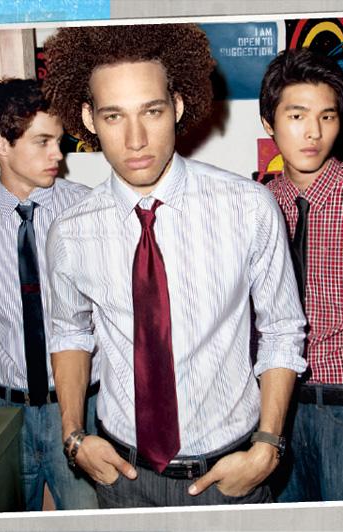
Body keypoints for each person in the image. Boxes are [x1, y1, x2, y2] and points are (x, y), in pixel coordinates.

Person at [43, 23, 307, 509]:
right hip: (120, 477)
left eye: (152, 111)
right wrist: (73, 434)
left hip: (232, 475)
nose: (136, 139)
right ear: (88, 118)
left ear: (178, 106)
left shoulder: (248, 207)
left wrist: (267, 448)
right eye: (114, 116)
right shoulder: (70, 231)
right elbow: (69, 333)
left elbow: (282, 329)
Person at [0, 78, 100, 511]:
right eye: (42, 142)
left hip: (83, 408)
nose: (59, 154)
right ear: (1, 145)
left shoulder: (89, 209)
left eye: (58, 140)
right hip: (3, 411)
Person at [260, 48, 343, 501]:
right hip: (274, 410)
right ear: (269, 123)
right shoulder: (255, 205)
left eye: (327, 117)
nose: (313, 132)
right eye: (297, 116)